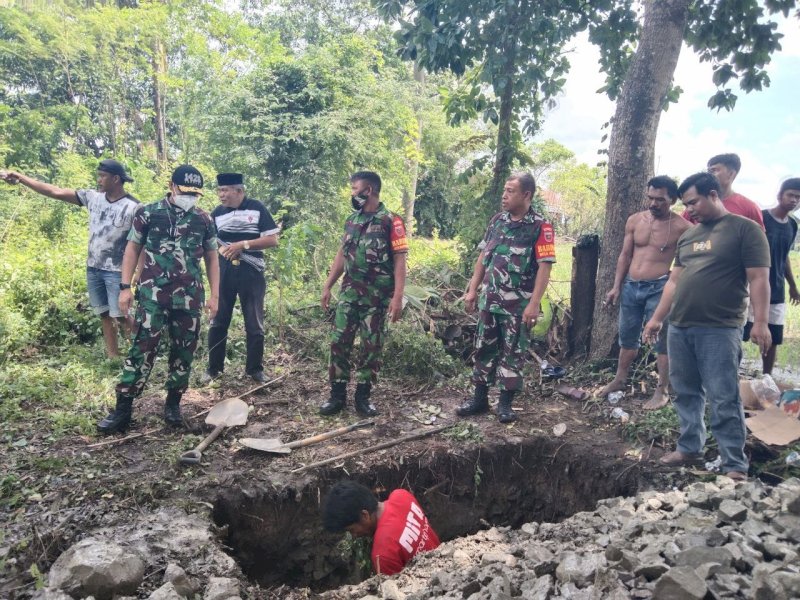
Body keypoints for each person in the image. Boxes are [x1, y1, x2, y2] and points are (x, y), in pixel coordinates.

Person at [643, 172, 771, 481]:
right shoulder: (689, 235)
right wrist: (658, 318)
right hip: (680, 326)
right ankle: (690, 447)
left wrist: (761, 322)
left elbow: (758, 278)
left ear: (713, 195)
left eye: (694, 202)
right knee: (685, 391)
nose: (689, 210)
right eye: (686, 205)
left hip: (719, 327)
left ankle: (734, 463)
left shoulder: (745, 230)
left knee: (723, 394)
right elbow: (674, 280)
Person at [97, 165, 219, 434]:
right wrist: (125, 287)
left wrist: (215, 295)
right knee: (141, 349)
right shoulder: (148, 213)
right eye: (185, 191)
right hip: (153, 295)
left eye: (195, 193)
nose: (190, 196)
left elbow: (212, 257)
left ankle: (173, 406)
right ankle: (123, 410)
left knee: (183, 352)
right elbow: (132, 249)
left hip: (189, 298)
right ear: (171, 186)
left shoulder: (204, 219)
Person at [1, 160, 139, 357]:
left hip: (117, 271)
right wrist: (22, 179)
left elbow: (139, 245)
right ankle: (113, 356)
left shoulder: (133, 207)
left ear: (116, 179)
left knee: (122, 316)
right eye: (98, 175)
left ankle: (144, 350)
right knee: (105, 314)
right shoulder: (93, 198)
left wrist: (136, 274)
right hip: (93, 267)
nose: (98, 180)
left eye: (103, 176)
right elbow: (55, 192)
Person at [456, 172, 555, 423]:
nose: (504, 195)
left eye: (510, 191)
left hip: (518, 305)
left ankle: (505, 404)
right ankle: (479, 399)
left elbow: (545, 267)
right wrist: (472, 289)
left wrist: (534, 304)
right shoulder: (497, 221)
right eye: (504, 190)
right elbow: (483, 257)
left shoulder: (540, 227)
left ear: (526, 195)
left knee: (513, 352)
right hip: (490, 300)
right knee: (483, 349)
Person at [318, 171, 408, 417]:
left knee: (371, 348)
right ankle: (336, 396)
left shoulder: (391, 221)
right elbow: (341, 254)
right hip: (348, 295)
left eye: (354, 188)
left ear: (368, 190)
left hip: (376, 299)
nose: (352, 193)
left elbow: (400, 260)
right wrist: (328, 285)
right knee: (339, 344)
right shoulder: (352, 219)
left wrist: (398, 296)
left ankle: (363, 397)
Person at [599, 176, 691, 410]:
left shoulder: (682, 227)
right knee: (627, 336)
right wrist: (616, 286)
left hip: (659, 288)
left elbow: (690, 262)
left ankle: (662, 390)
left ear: (672, 199)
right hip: (631, 285)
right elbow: (624, 255)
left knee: (662, 340)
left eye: (660, 200)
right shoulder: (635, 220)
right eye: (650, 198)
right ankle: (619, 380)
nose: (653, 203)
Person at [204, 173, 280, 384]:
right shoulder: (216, 214)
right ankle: (214, 369)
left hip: (252, 272)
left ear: (239, 191)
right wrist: (225, 250)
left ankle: (255, 370)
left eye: (226, 190)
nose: (222, 195)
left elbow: (272, 239)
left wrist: (242, 245)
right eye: (219, 190)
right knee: (218, 321)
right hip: (224, 271)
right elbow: (210, 242)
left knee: (254, 323)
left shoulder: (257, 208)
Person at [321, 481, 440, 576]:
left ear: (364, 515)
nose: (354, 536)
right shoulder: (402, 495)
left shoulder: (382, 555)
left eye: (351, 530)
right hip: (445, 564)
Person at [743, 178, 800, 375]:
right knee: (740, 333)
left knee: (773, 337)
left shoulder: (792, 225)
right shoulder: (762, 218)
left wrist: (792, 285)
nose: (794, 200)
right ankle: (730, 376)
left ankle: (767, 377)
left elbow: (784, 257)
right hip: (751, 286)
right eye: (790, 195)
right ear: (780, 196)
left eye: (798, 197)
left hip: (776, 288)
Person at [682, 153, 764, 229]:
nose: (709, 175)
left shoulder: (749, 208)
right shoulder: (693, 208)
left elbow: (759, 240)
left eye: (714, 170)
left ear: (731, 174)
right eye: (708, 171)